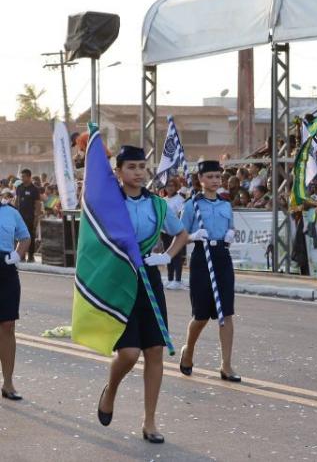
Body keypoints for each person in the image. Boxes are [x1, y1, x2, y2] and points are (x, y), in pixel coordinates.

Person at [97, 146, 189, 443]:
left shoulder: (158, 205)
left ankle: (149, 421)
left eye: (142, 167)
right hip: (120, 279)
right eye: (131, 167)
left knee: (153, 351)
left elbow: (181, 233)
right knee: (128, 353)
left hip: (149, 278)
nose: (138, 172)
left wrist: (166, 257)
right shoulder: (110, 203)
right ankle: (111, 389)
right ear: (119, 171)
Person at [179, 161, 240, 383]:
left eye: (218, 176)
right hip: (201, 258)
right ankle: (189, 350)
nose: (215, 180)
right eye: (210, 176)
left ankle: (226, 364)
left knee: (226, 314)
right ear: (201, 179)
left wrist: (230, 234)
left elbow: (231, 226)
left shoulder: (225, 205)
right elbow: (180, 234)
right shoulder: (192, 205)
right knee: (201, 315)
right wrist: (194, 235)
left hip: (222, 257)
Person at [0, 188, 30, 401]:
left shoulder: (10, 212)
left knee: (8, 325)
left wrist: (17, 255)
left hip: (6, 269)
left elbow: (25, 237)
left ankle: (8, 383)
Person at [162, 178, 186, 290]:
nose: (170, 188)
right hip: (165, 231)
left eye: (172, 185)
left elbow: (182, 214)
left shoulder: (180, 199)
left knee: (177, 255)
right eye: (168, 185)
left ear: (176, 187)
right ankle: (170, 278)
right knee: (167, 254)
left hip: (176, 231)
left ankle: (178, 279)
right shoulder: (163, 200)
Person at [14, 169, 40, 262]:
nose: (22, 178)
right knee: (20, 236)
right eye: (21, 176)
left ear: (29, 177)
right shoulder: (19, 187)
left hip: (30, 217)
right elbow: (16, 201)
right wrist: (14, 212)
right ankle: (21, 256)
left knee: (30, 237)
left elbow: (37, 204)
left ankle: (31, 256)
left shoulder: (34, 189)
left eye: (24, 176)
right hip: (20, 217)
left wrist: (36, 217)